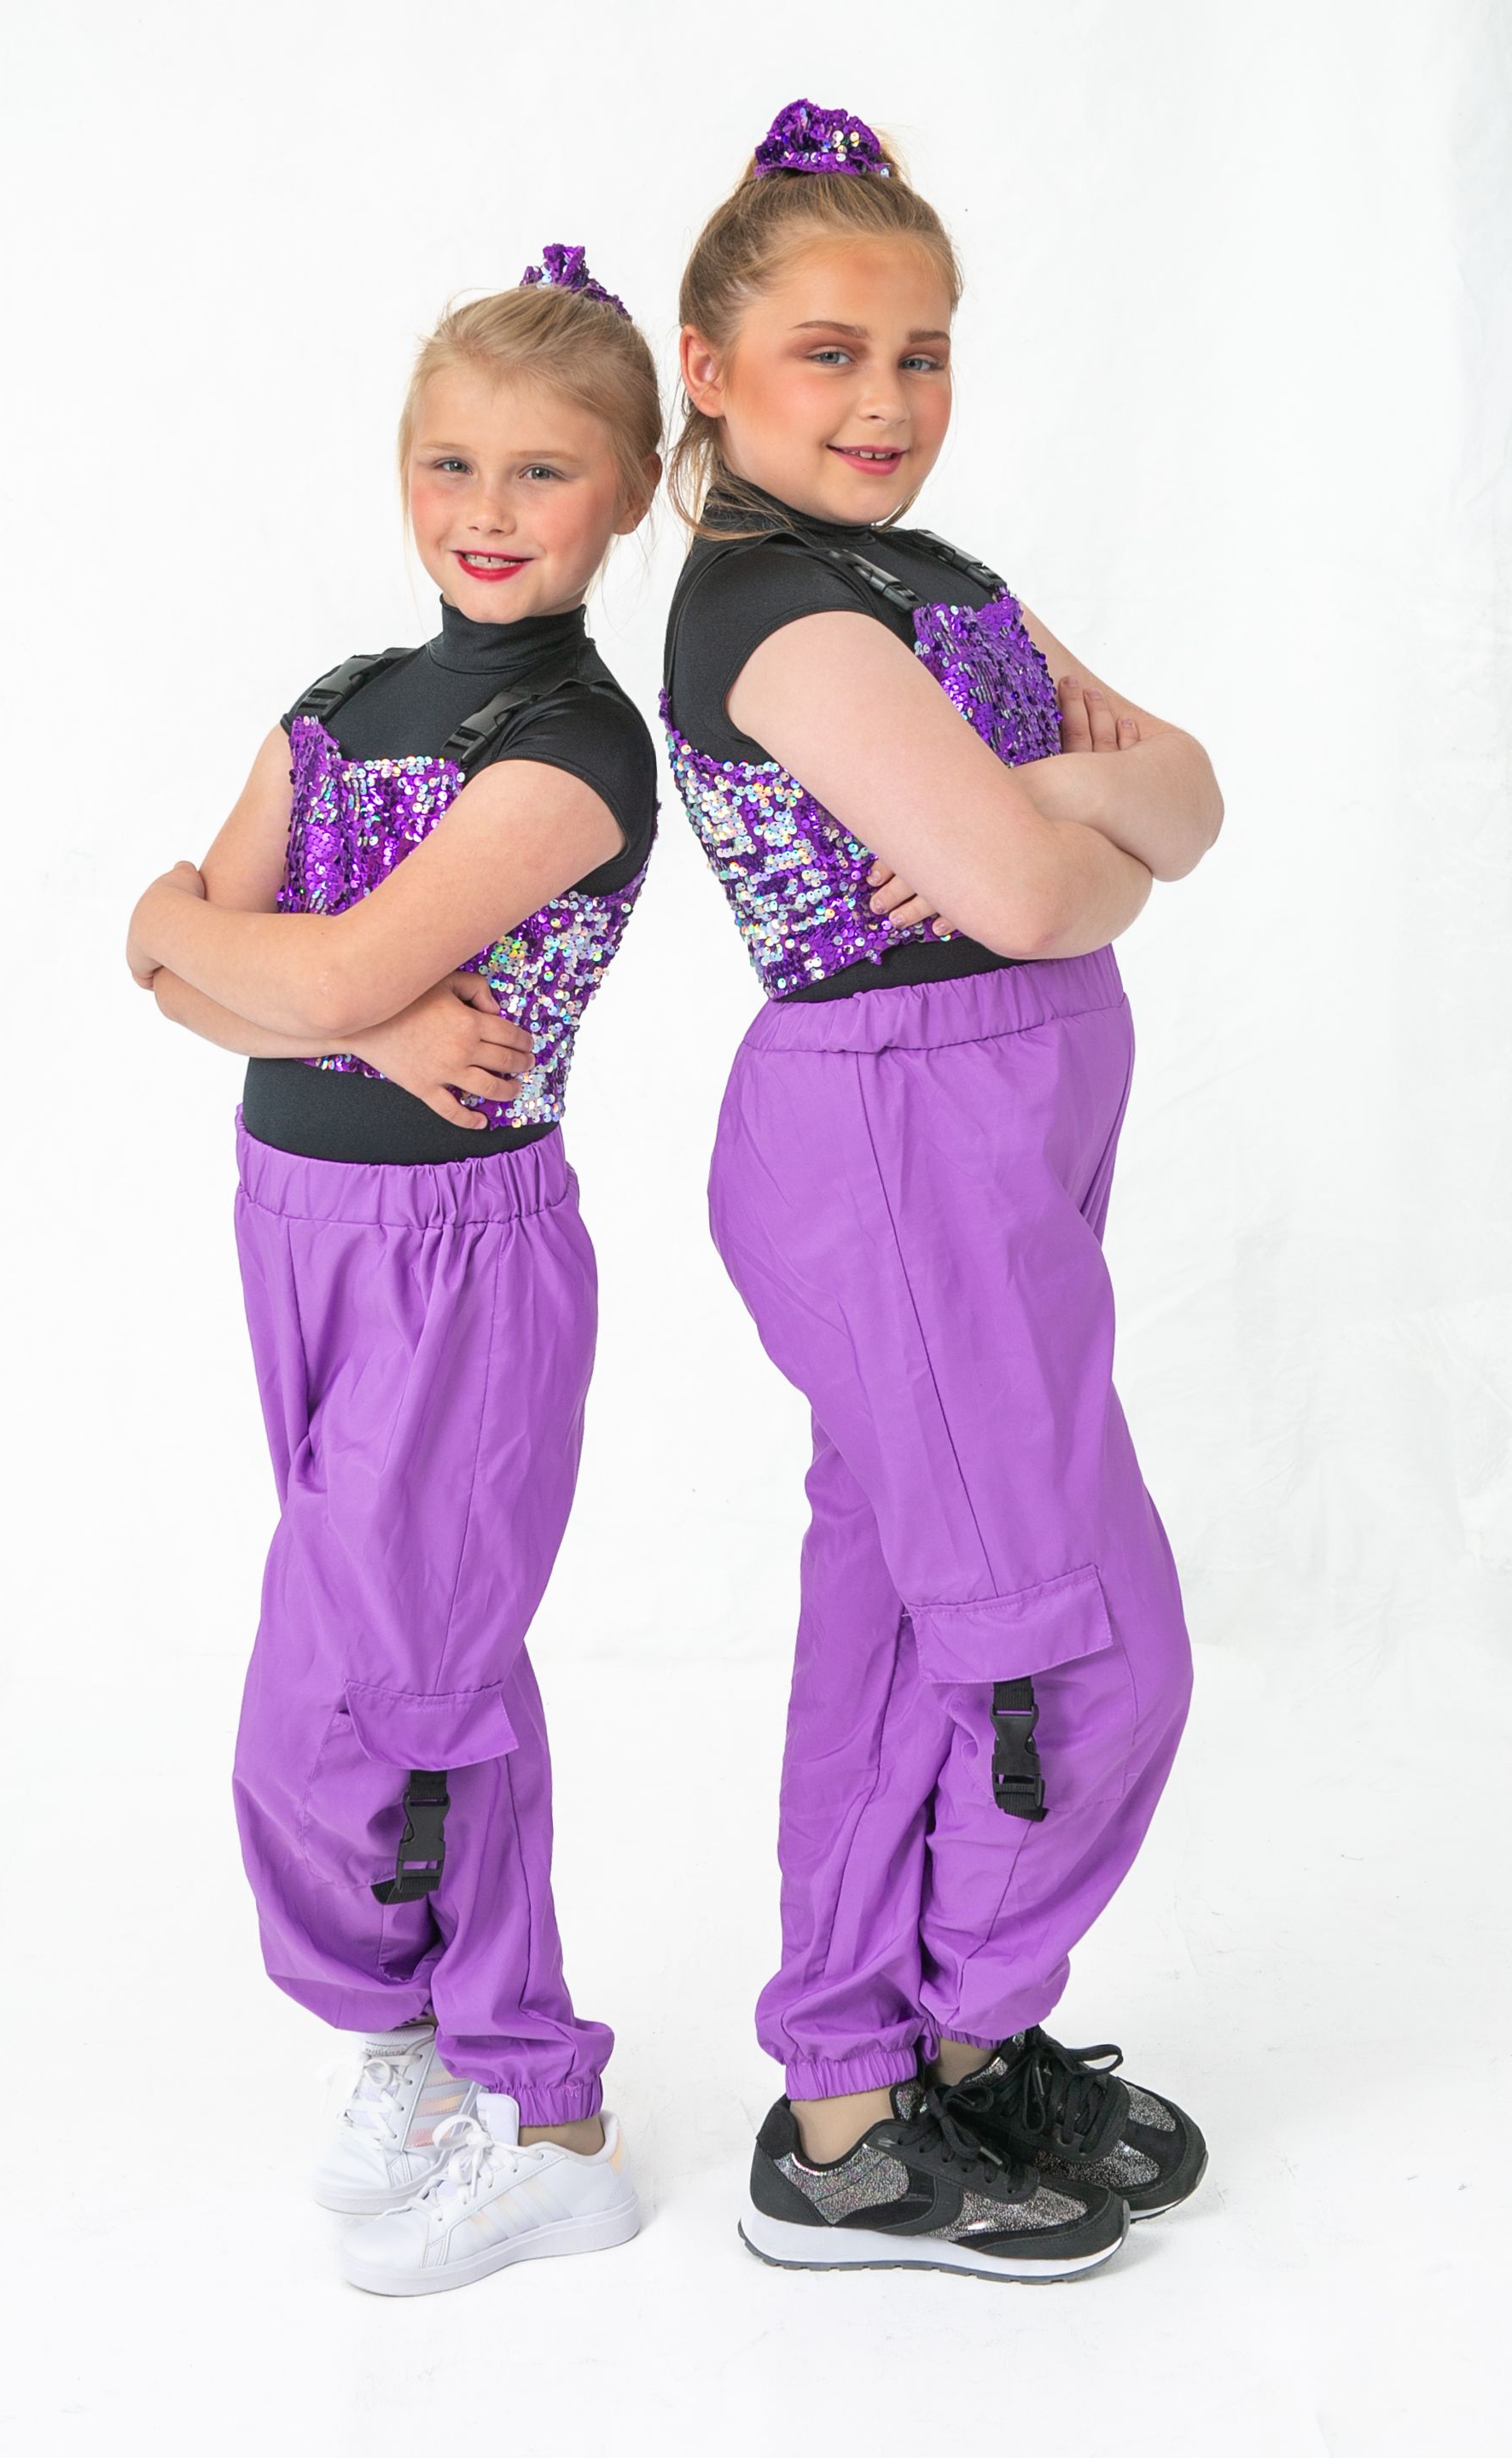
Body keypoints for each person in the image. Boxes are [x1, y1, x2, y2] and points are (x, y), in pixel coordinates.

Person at [660, 98, 1223, 2280]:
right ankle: (918, 2061)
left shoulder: (939, 584)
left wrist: (1053, 813)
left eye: (921, 351)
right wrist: (1076, 840)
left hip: (1004, 1123)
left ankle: (882, 2074)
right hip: (897, 1133)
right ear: (712, 368)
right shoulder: (778, 612)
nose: (886, 397)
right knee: (1060, 1632)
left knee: (913, 1616)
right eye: (830, 351)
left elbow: (1192, 801)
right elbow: (1053, 889)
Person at [125, 242, 658, 2298]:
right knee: (424, 1666)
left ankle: (544, 2115)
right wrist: (292, 986)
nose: (488, 510)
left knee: (368, 1695)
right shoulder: (342, 706)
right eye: (452, 463)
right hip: (292, 1223)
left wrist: (250, 957)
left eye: (543, 470)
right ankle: (452, 2059)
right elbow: (162, 968)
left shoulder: (570, 746)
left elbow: (262, 949)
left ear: (626, 493)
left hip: (459, 1257)